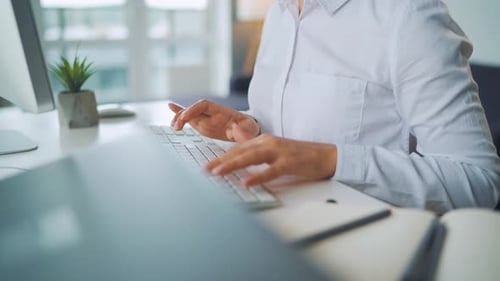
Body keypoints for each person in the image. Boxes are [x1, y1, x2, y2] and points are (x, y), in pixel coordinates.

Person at [169, 0, 500, 213]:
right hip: (268, 214)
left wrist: (329, 159)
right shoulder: (279, 13)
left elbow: (480, 182)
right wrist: (248, 126)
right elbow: (292, 131)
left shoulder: (408, 16)